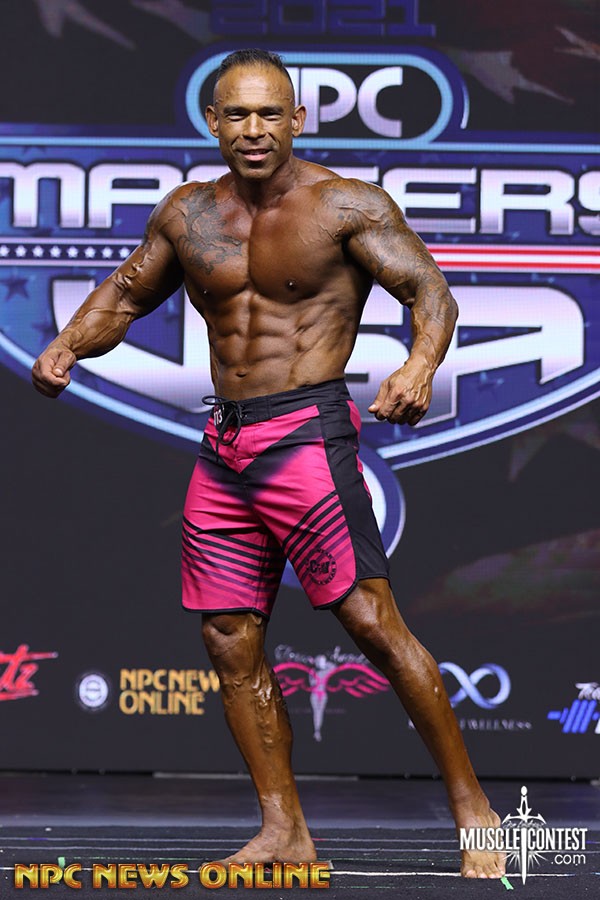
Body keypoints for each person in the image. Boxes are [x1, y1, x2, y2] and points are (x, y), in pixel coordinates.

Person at [32, 49, 504, 878]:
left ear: (297, 119)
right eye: (238, 115)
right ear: (214, 122)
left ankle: (474, 810)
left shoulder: (345, 205)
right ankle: (284, 830)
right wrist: (69, 344)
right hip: (223, 449)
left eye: (270, 114)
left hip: (305, 436)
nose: (254, 130)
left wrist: (420, 366)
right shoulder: (187, 214)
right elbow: (128, 292)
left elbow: (430, 291)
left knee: (371, 624)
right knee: (228, 636)